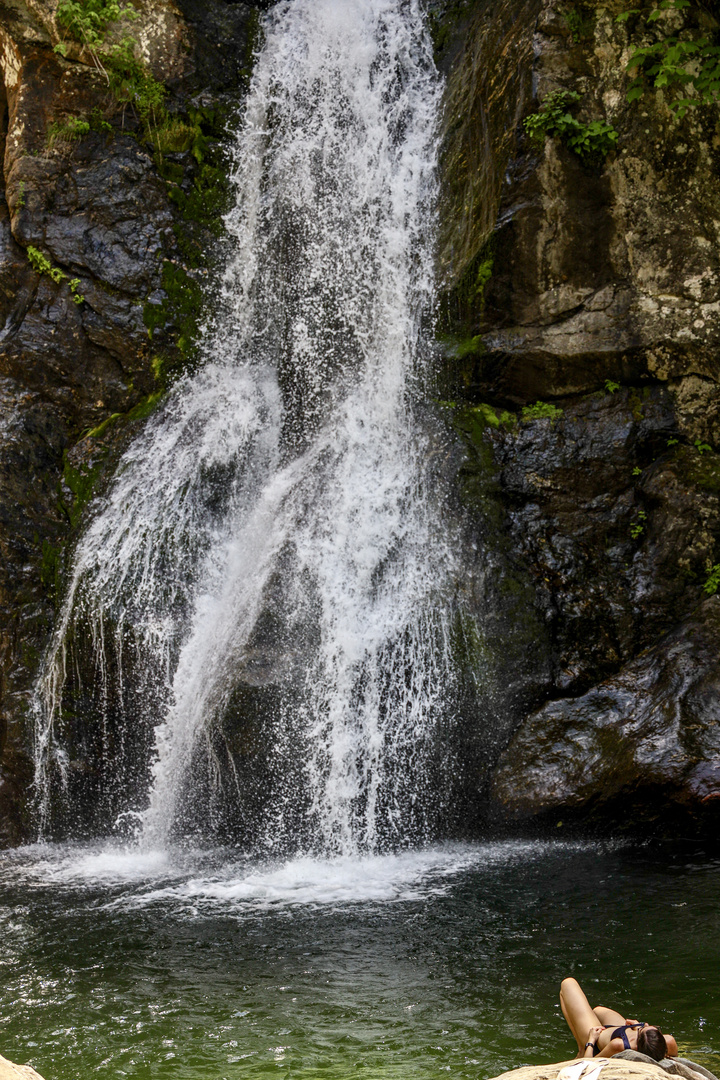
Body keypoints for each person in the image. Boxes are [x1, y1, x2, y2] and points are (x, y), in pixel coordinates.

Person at [560, 978, 679, 1062]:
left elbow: (589, 1064)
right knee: (598, 1010)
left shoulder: (618, 1046)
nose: (645, 1024)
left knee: (568, 984)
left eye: (643, 1028)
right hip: (620, 1030)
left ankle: (581, 1049)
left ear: (636, 1040)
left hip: (599, 1035)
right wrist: (638, 1026)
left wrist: (590, 1041)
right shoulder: (669, 1042)